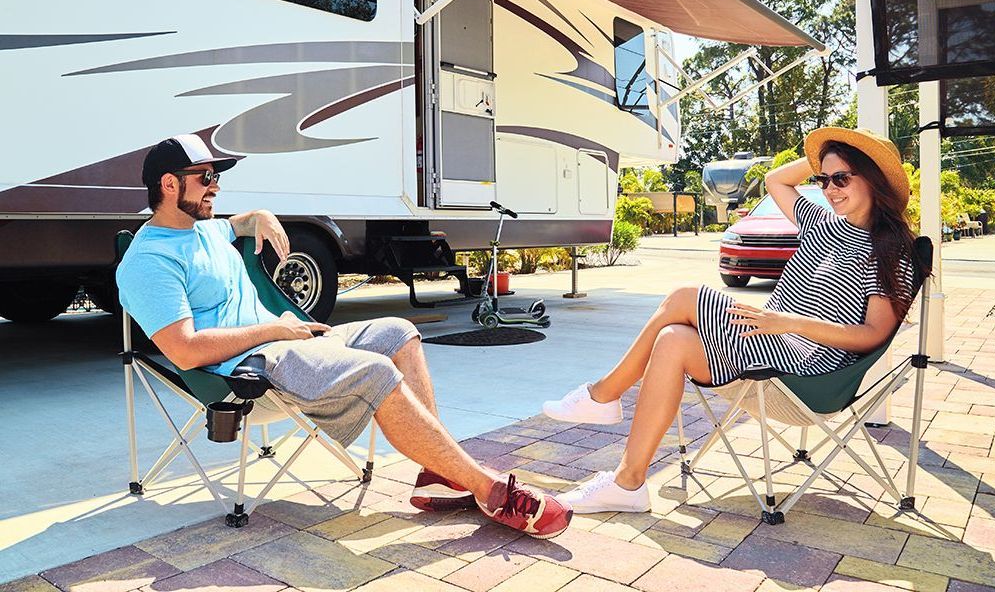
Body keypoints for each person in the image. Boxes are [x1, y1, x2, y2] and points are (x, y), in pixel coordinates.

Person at [117, 134, 571, 538]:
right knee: (374, 370)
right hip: (247, 368)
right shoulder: (148, 261)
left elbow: (237, 224)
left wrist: (260, 216)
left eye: (216, 176)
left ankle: (438, 471)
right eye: (204, 178)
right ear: (169, 185)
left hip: (288, 343)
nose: (215, 185)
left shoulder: (206, 229)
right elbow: (185, 349)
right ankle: (488, 489)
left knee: (399, 332)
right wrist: (277, 328)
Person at [543, 127, 919, 514]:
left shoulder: (889, 249)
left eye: (841, 178)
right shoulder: (822, 224)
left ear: (873, 179)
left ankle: (603, 395)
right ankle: (628, 483)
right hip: (770, 343)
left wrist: (791, 324)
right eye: (823, 180)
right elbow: (776, 180)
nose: (828, 189)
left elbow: (874, 334)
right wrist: (825, 157)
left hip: (806, 367)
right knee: (672, 338)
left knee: (683, 298)